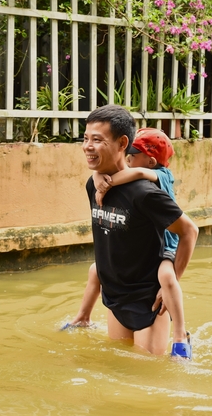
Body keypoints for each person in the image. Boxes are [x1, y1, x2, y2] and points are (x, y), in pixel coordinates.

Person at [74, 105, 198, 357]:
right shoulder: (94, 184)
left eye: (97, 140)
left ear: (122, 143)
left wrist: (171, 282)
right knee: (119, 370)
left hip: (148, 302)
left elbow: (189, 231)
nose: (88, 146)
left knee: (149, 374)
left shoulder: (144, 192)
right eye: (85, 139)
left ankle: (181, 335)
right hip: (115, 297)